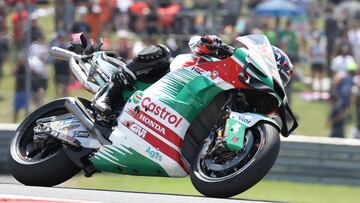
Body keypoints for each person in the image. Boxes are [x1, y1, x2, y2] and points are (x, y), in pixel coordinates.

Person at [92, 35, 294, 129]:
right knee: (161, 52)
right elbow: (195, 44)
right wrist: (210, 43)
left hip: (175, 116)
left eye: (281, 78)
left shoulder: (253, 105)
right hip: (170, 79)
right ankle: (109, 95)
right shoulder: (231, 60)